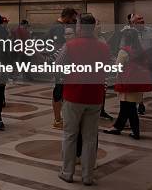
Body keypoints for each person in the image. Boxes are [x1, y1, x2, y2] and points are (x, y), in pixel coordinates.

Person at [57, 14, 110, 186]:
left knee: (70, 135)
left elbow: (58, 65)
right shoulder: (104, 47)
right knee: (90, 138)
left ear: (80, 27)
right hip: (95, 96)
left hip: (74, 94)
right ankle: (88, 176)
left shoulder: (70, 45)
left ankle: (67, 172)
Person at [104, 28, 152, 140]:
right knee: (126, 107)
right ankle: (118, 127)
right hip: (137, 83)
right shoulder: (142, 50)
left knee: (130, 109)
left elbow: (117, 67)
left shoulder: (124, 51)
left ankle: (136, 132)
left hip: (126, 83)